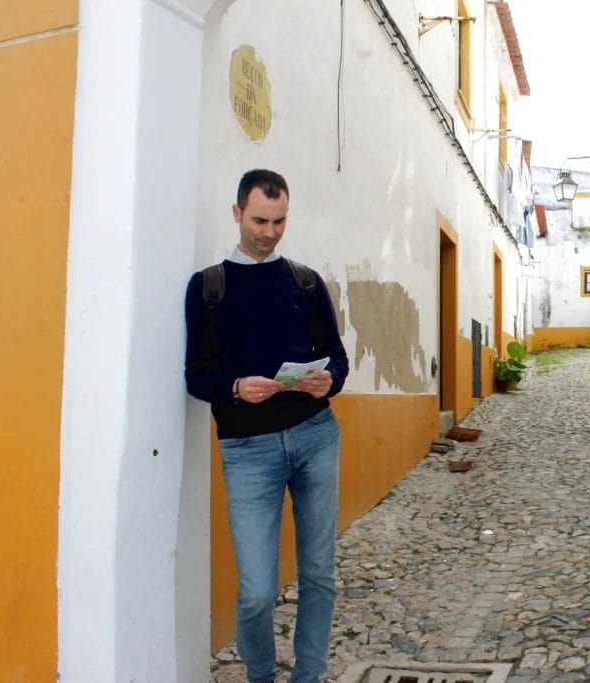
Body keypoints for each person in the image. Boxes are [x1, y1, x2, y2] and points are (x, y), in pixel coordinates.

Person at [185, 169, 349, 683]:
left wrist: (329, 381)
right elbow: (195, 374)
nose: (270, 232)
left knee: (318, 572)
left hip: (315, 435)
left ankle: (308, 675)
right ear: (237, 213)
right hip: (248, 450)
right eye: (259, 220)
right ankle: (260, 674)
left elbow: (338, 359)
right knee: (257, 590)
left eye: (279, 221)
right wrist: (235, 387)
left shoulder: (305, 281)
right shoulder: (208, 287)